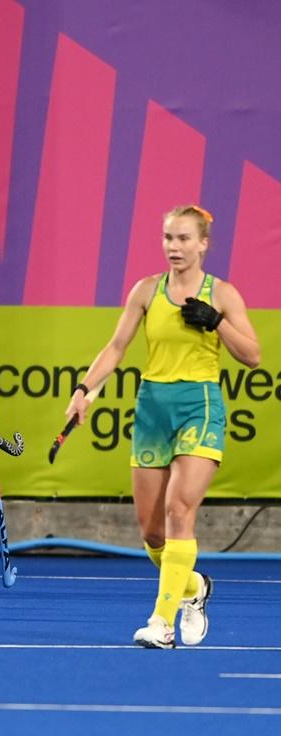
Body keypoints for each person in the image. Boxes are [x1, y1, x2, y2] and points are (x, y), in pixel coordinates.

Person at [64, 205, 259, 648]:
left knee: (178, 512)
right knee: (152, 533)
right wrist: (84, 389)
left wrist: (217, 321)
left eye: (184, 238)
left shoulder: (222, 293)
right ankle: (193, 588)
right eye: (168, 237)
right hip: (153, 407)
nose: (174, 246)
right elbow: (116, 347)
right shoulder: (147, 290)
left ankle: (161, 621)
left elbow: (253, 355)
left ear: (204, 243)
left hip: (199, 406)